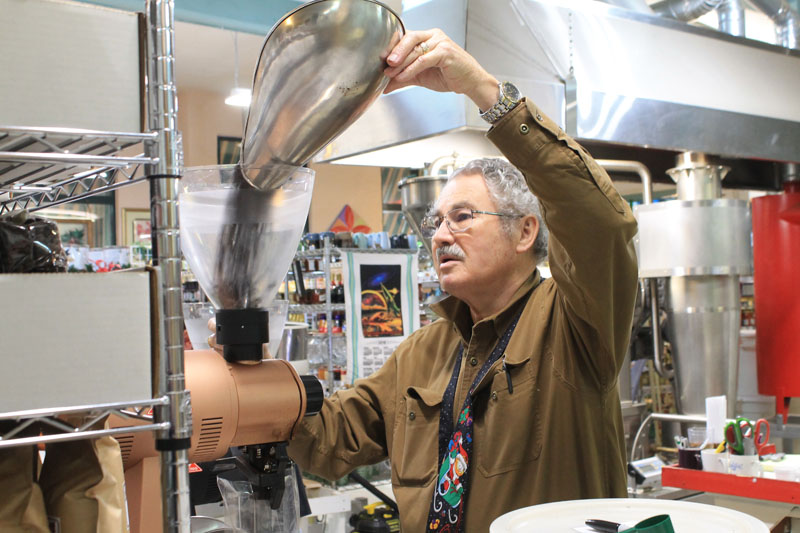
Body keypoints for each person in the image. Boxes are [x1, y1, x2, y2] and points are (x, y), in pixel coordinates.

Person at [287, 28, 639, 532]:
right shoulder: (425, 352)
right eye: (436, 222)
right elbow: (331, 436)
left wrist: (484, 93)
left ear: (525, 232)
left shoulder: (575, 326)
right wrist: (262, 384)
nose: (440, 236)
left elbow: (599, 221)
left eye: (463, 216)